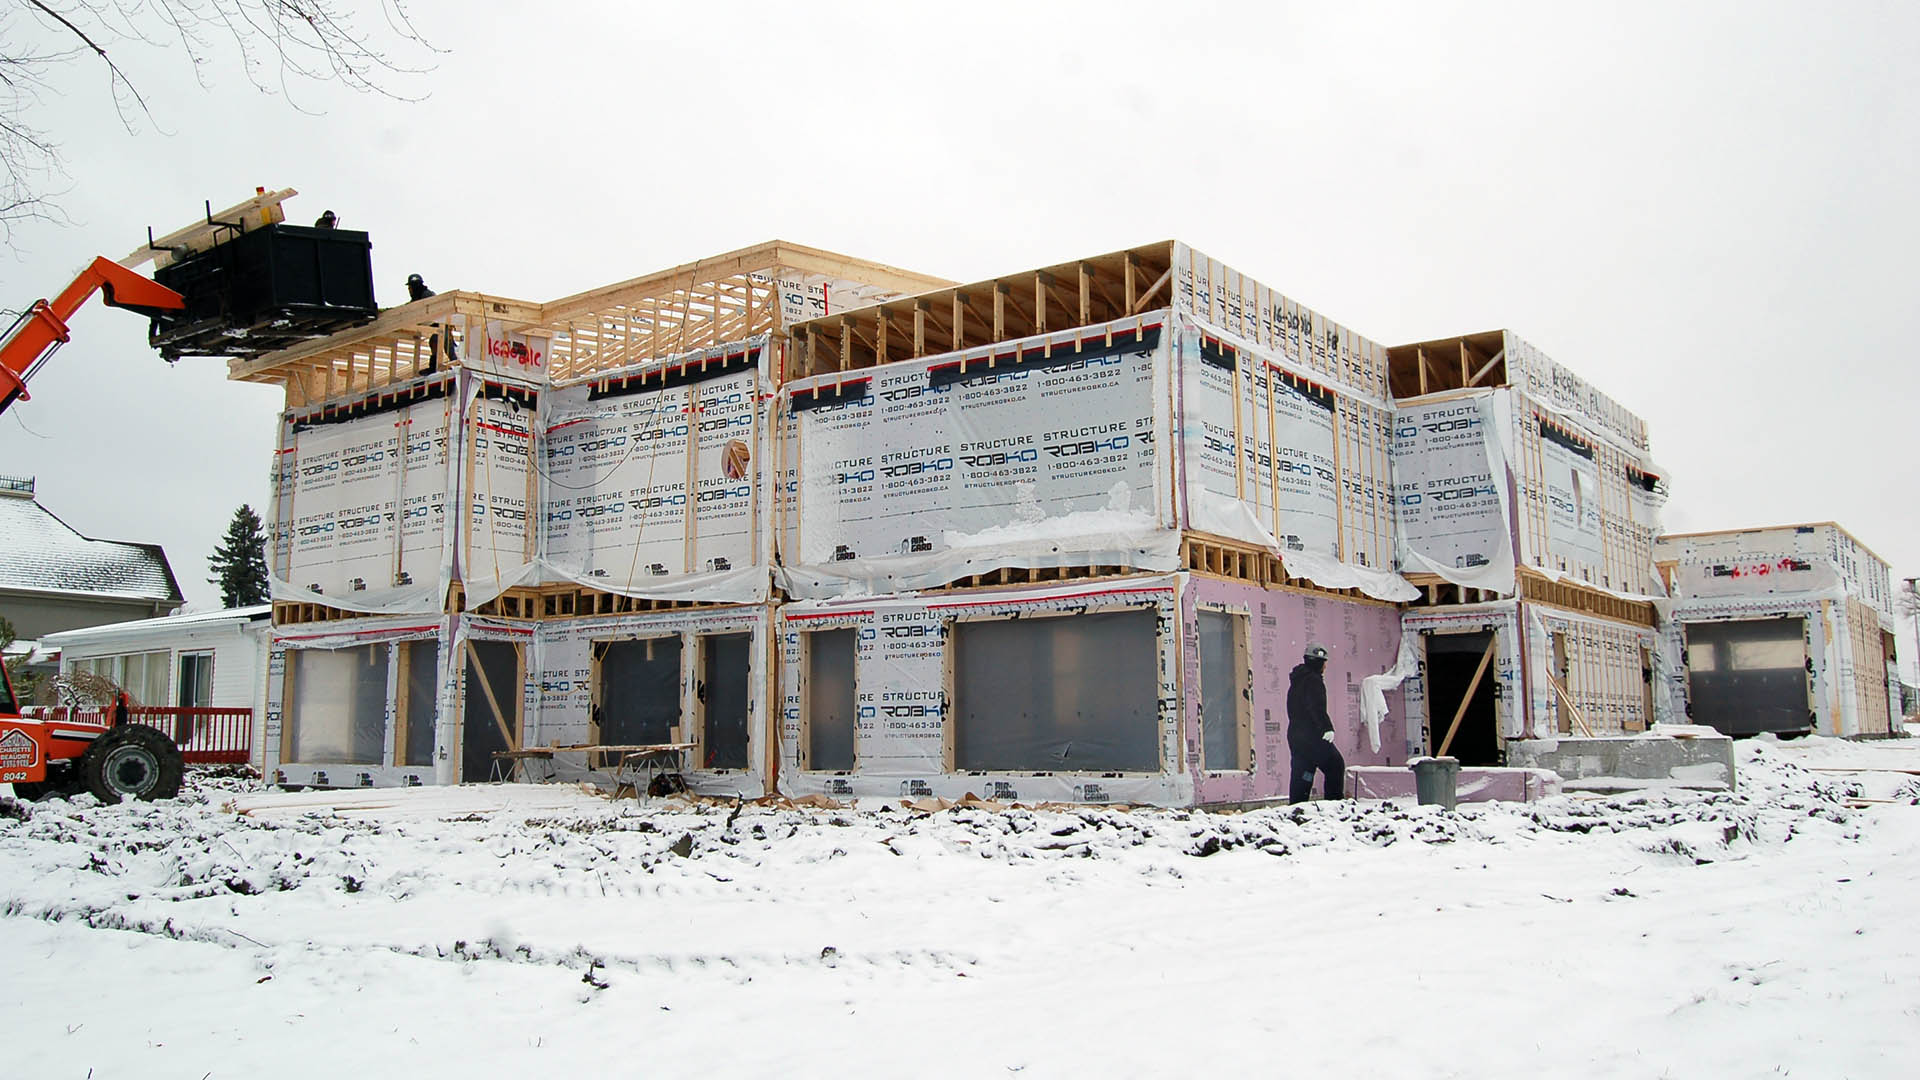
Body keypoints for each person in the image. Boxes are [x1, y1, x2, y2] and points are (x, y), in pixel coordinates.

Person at [1287, 643, 1345, 803]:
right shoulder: (1313, 681)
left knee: (1304, 772)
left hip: (1296, 736)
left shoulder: (1298, 680)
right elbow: (1316, 707)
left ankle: (1297, 808)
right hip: (1312, 736)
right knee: (1335, 765)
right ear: (1318, 662)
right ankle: (1334, 805)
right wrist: (1327, 728)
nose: (1326, 666)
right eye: (1324, 662)